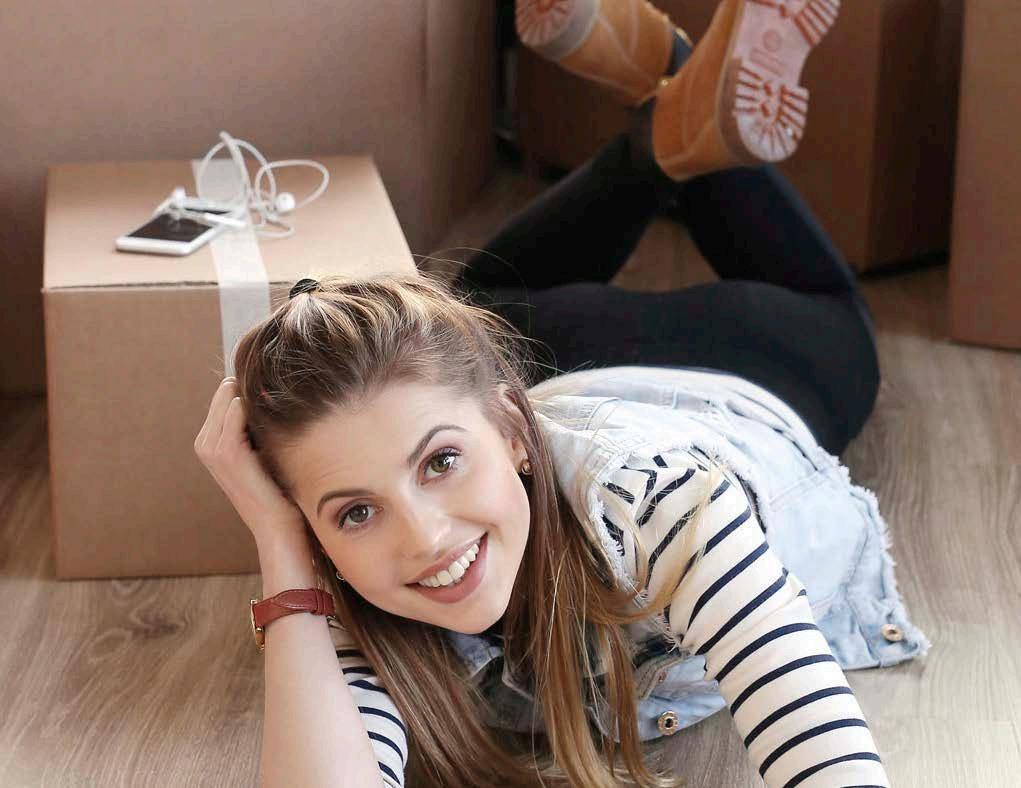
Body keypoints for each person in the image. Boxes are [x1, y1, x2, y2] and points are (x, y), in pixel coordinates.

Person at [193, 1, 929, 786]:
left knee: (838, 318)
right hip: (560, 346)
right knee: (462, 308)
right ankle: (665, 94)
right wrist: (280, 540)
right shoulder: (357, 584)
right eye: (355, 512)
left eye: (440, 462)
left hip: (752, 360)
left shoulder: (664, 508)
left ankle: (670, 82)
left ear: (513, 429)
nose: (424, 537)